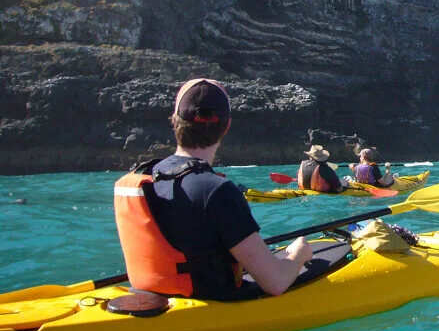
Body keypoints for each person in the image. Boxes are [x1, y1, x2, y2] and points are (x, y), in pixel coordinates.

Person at [114, 78, 313, 301]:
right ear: (226, 126)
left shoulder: (146, 175)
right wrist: (299, 253)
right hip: (209, 305)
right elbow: (275, 282)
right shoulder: (217, 191)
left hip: (148, 296)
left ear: (174, 121)